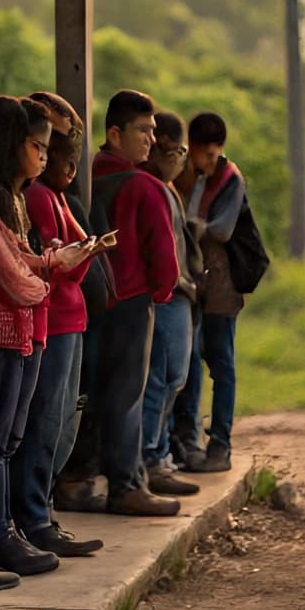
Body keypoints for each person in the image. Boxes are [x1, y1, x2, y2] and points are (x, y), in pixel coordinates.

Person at [0, 97, 93, 576]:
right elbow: (8, 272)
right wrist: (51, 270)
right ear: (10, 144)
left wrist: (45, 263)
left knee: (6, 442)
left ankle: (0, 533)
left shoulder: (8, 195)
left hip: (21, 333)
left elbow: (19, 262)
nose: (43, 156)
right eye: (36, 145)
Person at [80, 90, 187, 516]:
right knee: (126, 396)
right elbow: (165, 263)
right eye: (142, 130)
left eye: (153, 131)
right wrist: (159, 295)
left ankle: (78, 480)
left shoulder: (86, 177)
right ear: (114, 133)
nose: (150, 140)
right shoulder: (145, 186)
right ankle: (126, 485)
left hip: (90, 302)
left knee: (89, 393)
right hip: (131, 303)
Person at [9, 92, 105, 556]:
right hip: (53, 317)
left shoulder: (57, 196)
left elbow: (73, 262)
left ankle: (41, 511)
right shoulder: (39, 196)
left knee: (62, 422)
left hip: (70, 317)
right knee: (45, 423)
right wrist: (81, 253)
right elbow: (57, 265)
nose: (59, 158)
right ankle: (33, 516)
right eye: (47, 148)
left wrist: (82, 253)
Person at [172, 111, 244, 473]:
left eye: (213, 155)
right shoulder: (194, 177)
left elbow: (223, 230)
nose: (207, 162)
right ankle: (188, 439)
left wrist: (190, 226)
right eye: (203, 155)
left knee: (221, 364)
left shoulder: (229, 179)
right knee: (190, 361)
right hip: (198, 284)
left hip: (221, 287)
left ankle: (221, 444)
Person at [138, 112, 200, 497]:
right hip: (166, 297)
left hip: (176, 296)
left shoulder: (165, 188)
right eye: (180, 151)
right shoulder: (152, 187)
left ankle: (157, 454)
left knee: (171, 380)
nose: (182, 159)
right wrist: (181, 284)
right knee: (161, 381)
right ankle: (152, 457)